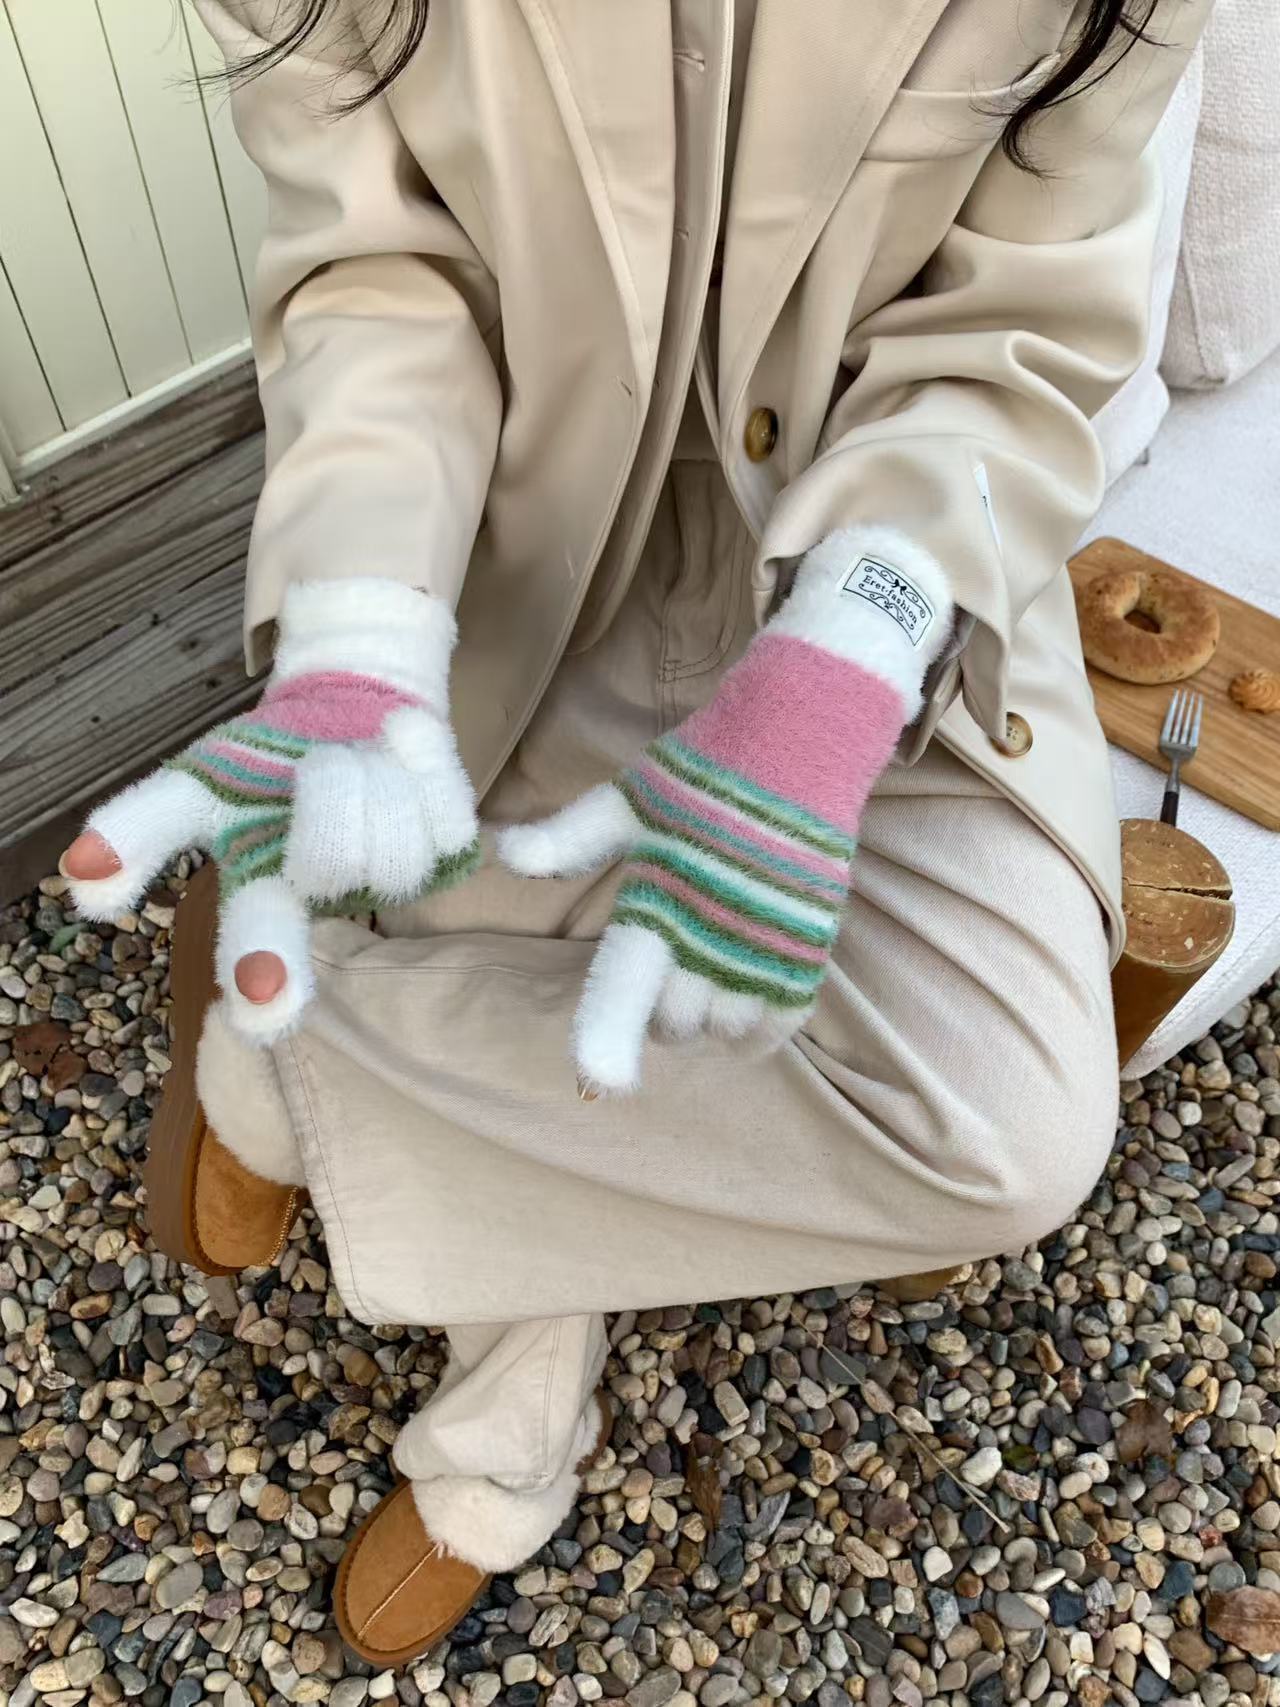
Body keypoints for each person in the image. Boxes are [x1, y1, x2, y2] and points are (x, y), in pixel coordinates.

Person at [61, 0, 1210, 1664]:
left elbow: (1018, 326)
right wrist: (365, 625)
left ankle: (294, 1051)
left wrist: (842, 666)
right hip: (517, 525)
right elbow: (378, 277)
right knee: (511, 916)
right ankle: (505, 1418)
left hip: (885, 555)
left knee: (1011, 1126)